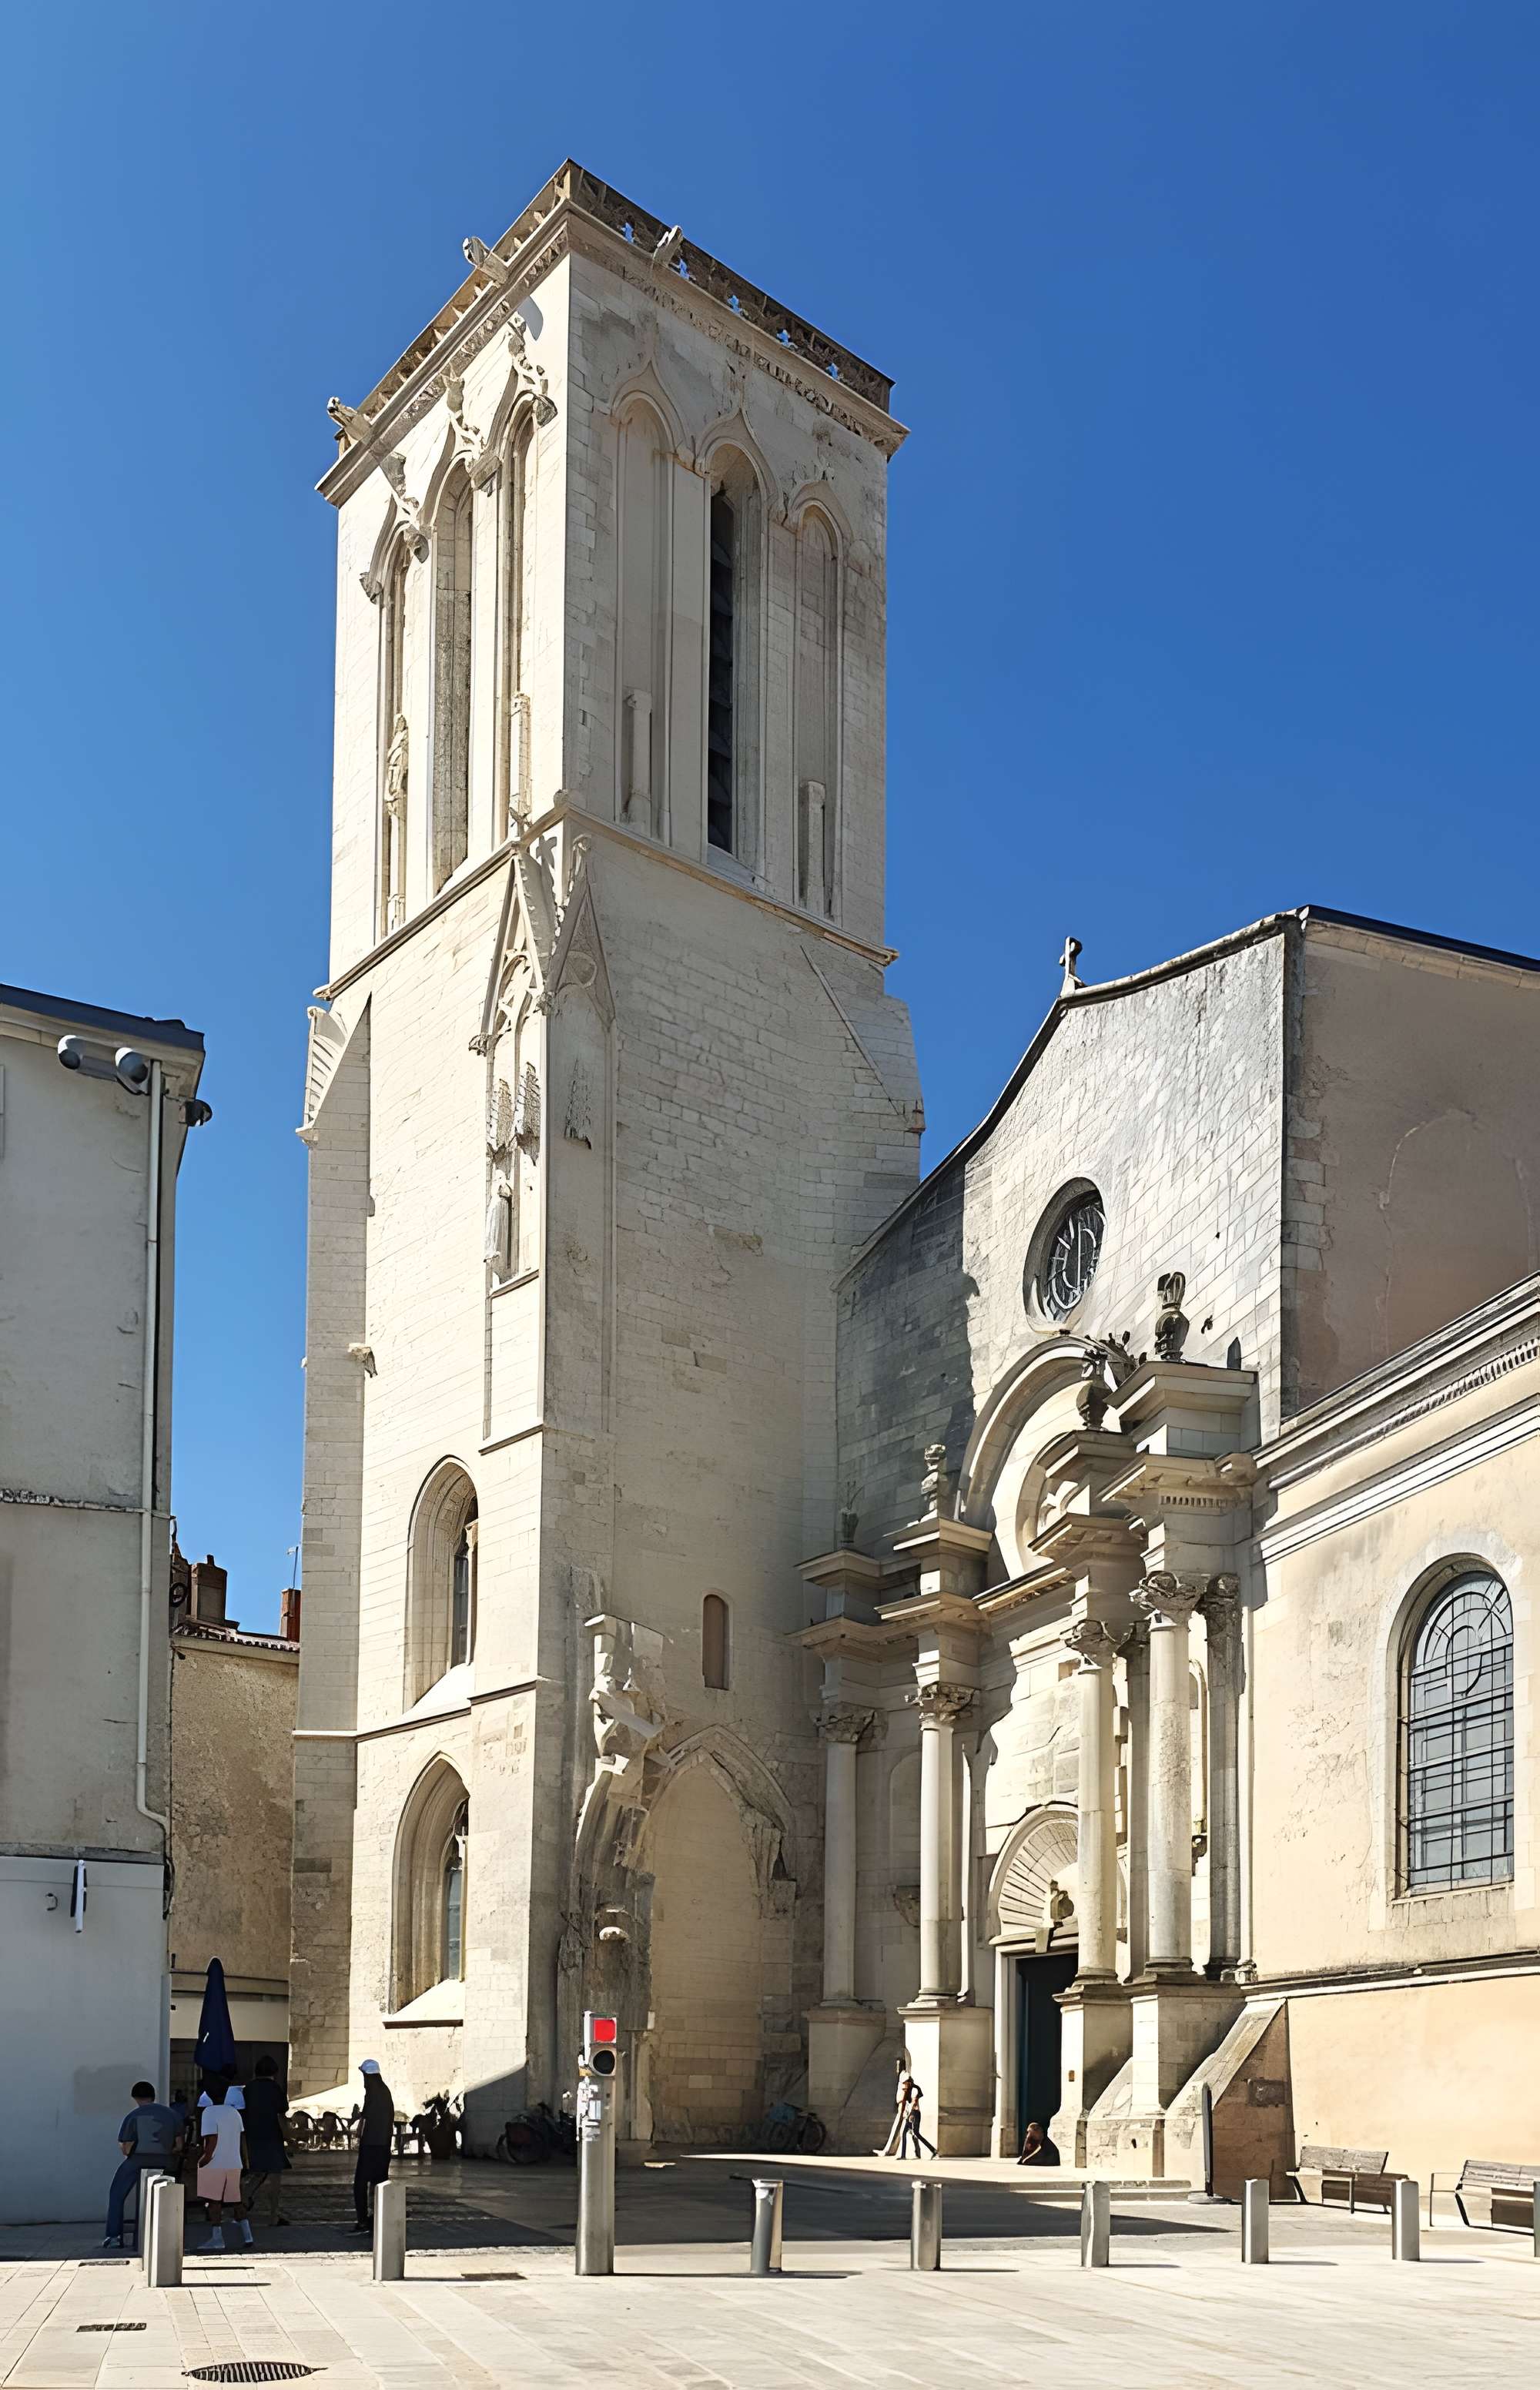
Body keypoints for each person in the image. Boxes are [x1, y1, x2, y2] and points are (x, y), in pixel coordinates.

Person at [102, 2081, 182, 2248]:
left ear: (135, 2097)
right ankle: (166, 2235)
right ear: (154, 2096)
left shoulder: (133, 2116)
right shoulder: (172, 2114)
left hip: (138, 2159)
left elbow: (126, 2147)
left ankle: (114, 2236)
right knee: (166, 2195)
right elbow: (179, 2146)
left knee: (117, 2193)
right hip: (166, 2161)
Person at [195, 2088, 252, 2252]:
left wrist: (203, 2160)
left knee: (214, 2202)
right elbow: (242, 2140)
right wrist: (245, 2161)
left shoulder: (209, 2113)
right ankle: (248, 2236)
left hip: (215, 2163)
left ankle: (217, 2237)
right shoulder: (235, 2113)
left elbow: (211, 2139)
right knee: (236, 2200)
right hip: (234, 2162)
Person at [242, 2057, 295, 2228]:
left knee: (257, 2172)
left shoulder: (248, 2089)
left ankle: (243, 2200)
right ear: (274, 2072)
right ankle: (273, 2215)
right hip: (272, 2136)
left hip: (252, 2135)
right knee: (275, 2177)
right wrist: (288, 2138)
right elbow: (281, 2115)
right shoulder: (275, 2089)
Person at [350, 2060, 395, 2237]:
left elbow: (367, 2115)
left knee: (360, 2184)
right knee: (379, 2183)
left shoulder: (373, 2092)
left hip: (372, 2145)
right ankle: (378, 2218)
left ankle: (363, 2220)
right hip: (383, 2146)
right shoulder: (383, 2090)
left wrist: (357, 2116)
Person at [898, 2070, 936, 2162]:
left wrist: (910, 2115)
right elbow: (906, 2103)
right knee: (904, 2133)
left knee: (916, 2133)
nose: (905, 2085)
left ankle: (933, 2150)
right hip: (910, 2114)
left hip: (914, 2113)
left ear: (909, 2082)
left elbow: (914, 2103)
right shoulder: (908, 2090)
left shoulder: (915, 2089)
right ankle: (903, 2155)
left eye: (906, 2083)